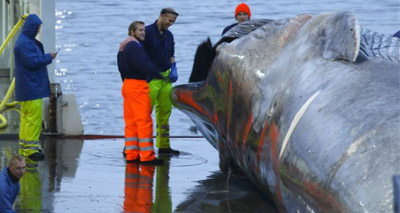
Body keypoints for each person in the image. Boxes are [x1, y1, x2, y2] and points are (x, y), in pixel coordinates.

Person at [118, 21, 164, 165]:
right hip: (138, 85)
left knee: (131, 122)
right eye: (140, 30)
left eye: (144, 30)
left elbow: (120, 67)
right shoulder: (135, 47)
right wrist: (158, 75)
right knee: (144, 121)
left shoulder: (123, 46)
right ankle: (147, 156)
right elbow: (144, 64)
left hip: (127, 84)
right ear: (132, 32)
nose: (143, 32)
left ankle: (132, 154)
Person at [14, 14, 57, 161]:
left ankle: (25, 148)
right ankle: (31, 151)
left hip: (28, 88)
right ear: (32, 27)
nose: (38, 30)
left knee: (26, 118)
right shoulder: (25, 44)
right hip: (32, 88)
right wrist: (49, 57)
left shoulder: (24, 41)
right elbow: (33, 62)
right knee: (33, 119)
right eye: (38, 27)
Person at [142, 8, 180, 155]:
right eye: (170, 20)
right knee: (144, 114)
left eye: (173, 22)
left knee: (165, 113)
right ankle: (136, 147)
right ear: (162, 16)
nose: (171, 24)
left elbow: (171, 54)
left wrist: (174, 68)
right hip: (150, 79)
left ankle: (164, 146)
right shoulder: (146, 32)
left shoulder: (169, 35)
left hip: (165, 78)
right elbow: (139, 55)